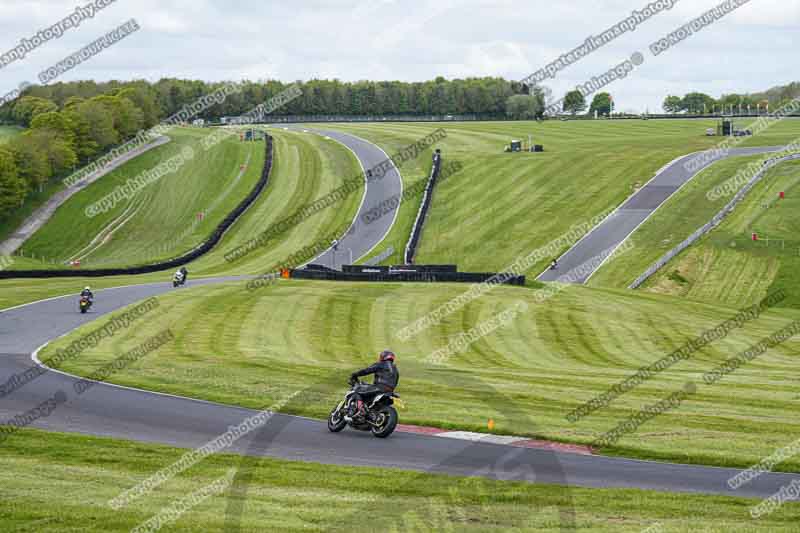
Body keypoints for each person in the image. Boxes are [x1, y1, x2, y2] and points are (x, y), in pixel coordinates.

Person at [349, 350, 399, 421]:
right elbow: (396, 381)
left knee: (357, 391)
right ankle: (370, 411)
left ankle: (361, 411)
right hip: (389, 391)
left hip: (379, 387)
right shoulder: (395, 369)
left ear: (383, 357)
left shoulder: (381, 364)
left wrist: (355, 374)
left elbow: (367, 370)